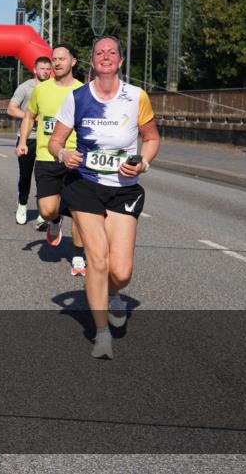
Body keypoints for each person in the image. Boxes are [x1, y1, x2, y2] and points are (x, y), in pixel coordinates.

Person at [49, 36, 160, 360]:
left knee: (121, 271)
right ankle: (101, 333)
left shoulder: (136, 97)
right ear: (93, 62)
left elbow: (151, 138)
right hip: (85, 184)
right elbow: (57, 141)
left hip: (123, 187)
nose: (106, 57)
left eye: (112, 52)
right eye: (100, 52)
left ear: (121, 61)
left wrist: (144, 161)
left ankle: (113, 294)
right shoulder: (77, 97)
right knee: (97, 258)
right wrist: (63, 155)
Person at [16, 45, 86, 276]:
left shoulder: (83, 90)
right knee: (46, 211)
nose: (56, 63)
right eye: (54, 59)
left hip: (75, 157)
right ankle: (54, 220)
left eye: (61, 59)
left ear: (73, 62)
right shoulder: (41, 90)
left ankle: (78, 256)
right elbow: (30, 115)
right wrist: (23, 140)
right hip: (46, 155)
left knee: (79, 209)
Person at [8, 56, 53, 226]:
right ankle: (22, 204)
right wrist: (30, 117)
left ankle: (44, 211)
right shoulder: (26, 87)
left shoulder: (53, 87)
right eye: (42, 68)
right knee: (25, 175)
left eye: (48, 69)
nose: (45, 72)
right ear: (35, 70)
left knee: (44, 176)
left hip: (47, 139)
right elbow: (11, 109)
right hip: (28, 138)